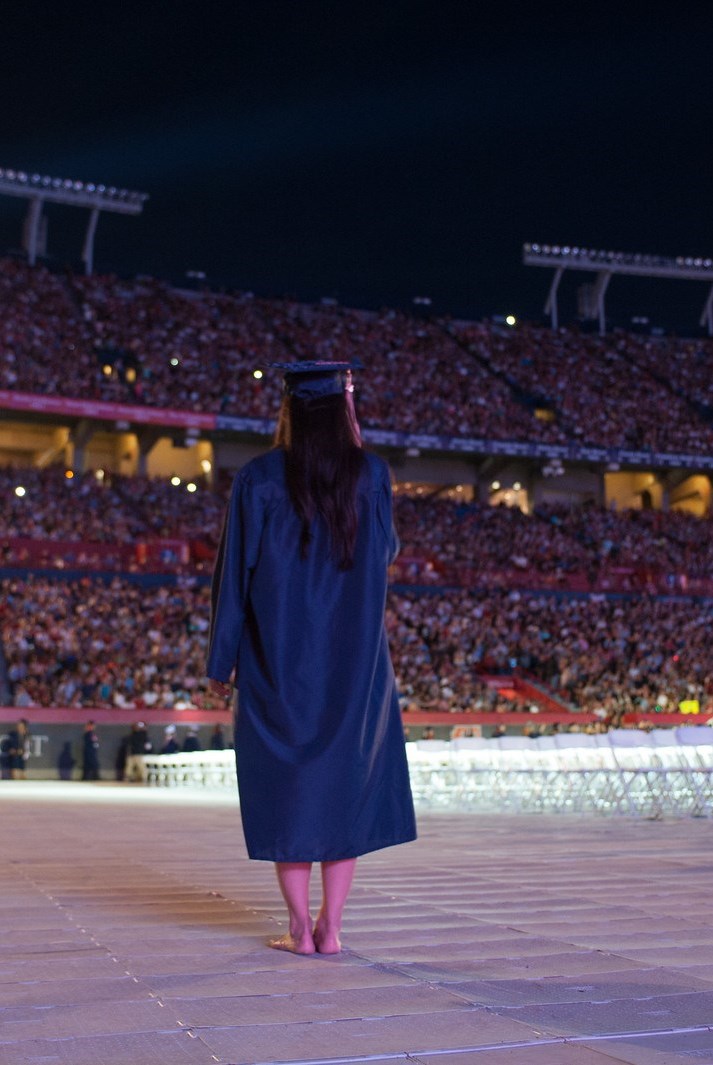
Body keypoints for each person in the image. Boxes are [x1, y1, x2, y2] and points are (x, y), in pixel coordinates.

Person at [207, 360, 416, 956]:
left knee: (289, 792)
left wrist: (221, 663)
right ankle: (334, 927)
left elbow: (234, 576)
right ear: (343, 409)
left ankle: (299, 929)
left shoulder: (259, 479)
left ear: (289, 411)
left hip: (280, 660)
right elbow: (388, 552)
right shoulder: (371, 476)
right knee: (344, 790)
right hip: (356, 666)